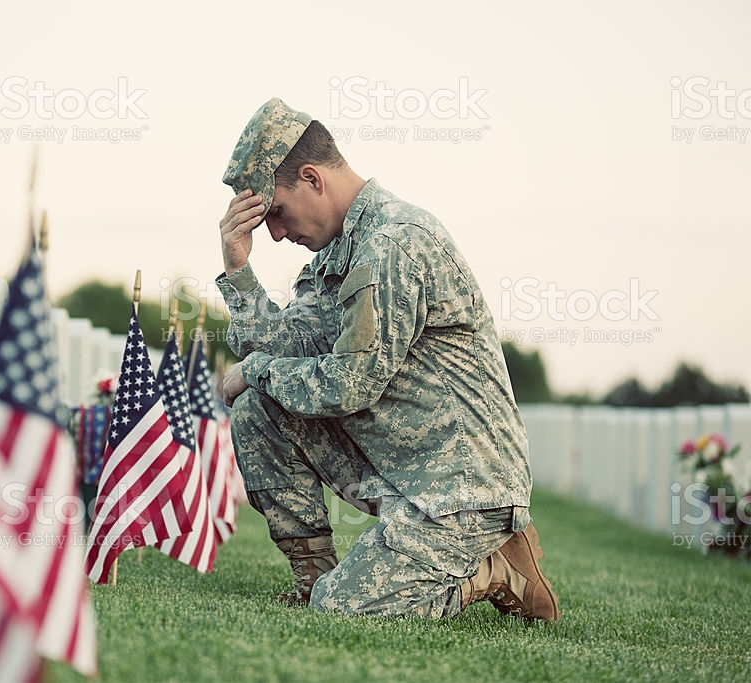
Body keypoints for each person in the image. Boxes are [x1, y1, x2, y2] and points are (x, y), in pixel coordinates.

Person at [214, 97, 559, 621]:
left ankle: (493, 566)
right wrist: (238, 267)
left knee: (344, 608)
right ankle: (313, 577)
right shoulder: (336, 251)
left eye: (277, 213)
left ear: (312, 178)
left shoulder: (393, 244)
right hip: (401, 468)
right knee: (258, 409)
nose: (277, 234)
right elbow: (286, 345)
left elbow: (347, 386)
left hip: (461, 486)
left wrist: (253, 370)